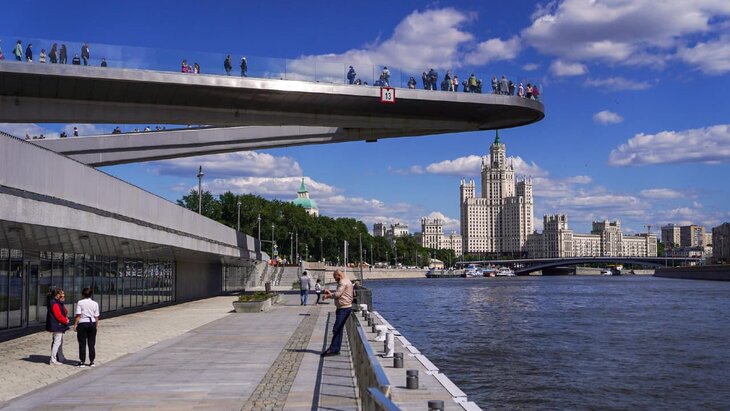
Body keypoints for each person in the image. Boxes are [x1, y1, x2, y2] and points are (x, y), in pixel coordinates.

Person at [320, 269, 353, 357]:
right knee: (339, 329)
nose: (335, 280)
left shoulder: (342, 282)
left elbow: (337, 295)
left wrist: (327, 296)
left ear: (339, 275)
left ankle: (333, 349)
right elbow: (342, 294)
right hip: (346, 307)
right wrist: (330, 293)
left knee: (336, 328)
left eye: (335, 278)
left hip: (343, 308)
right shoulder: (347, 281)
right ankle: (336, 349)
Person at [74, 287, 100, 368]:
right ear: (91, 294)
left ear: (82, 294)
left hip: (83, 323)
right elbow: (96, 316)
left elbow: (78, 315)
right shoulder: (95, 303)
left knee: (82, 343)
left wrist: (75, 325)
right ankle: (92, 361)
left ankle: (82, 361)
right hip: (92, 323)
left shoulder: (80, 302)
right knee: (91, 343)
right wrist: (96, 326)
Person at [45, 288, 69, 365]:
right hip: (57, 325)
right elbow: (58, 316)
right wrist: (65, 320)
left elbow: (65, 311)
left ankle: (54, 358)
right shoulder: (54, 303)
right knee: (57, 342)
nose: (62, 296)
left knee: (57, 342)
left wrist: (61, 302)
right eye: (61, 294)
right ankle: (53, 359)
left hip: (56, 325)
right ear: (57, 295)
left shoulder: (54, 302)